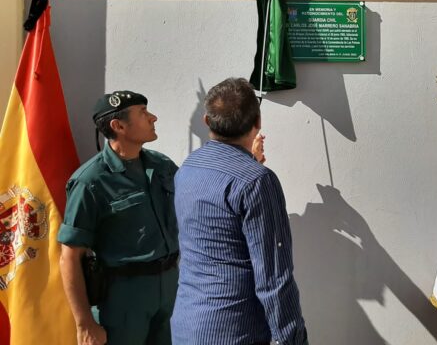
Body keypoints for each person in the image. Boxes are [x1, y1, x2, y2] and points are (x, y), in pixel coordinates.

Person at [171, 77, 307, 345]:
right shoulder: (257, 181)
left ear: (207, 121)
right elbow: (274, 278)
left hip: (188, 325)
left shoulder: (189, 167)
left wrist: (250, 163)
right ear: (258, 122)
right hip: (235, 330)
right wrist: (293, 339)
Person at [58, 91, 179, 345]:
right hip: (123, 298)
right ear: (118, 126)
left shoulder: (162, 166)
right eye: (143, 113)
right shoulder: (90, 181)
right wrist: (84, 324)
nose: (153, 117)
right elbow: (70, 256)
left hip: (170, 288)